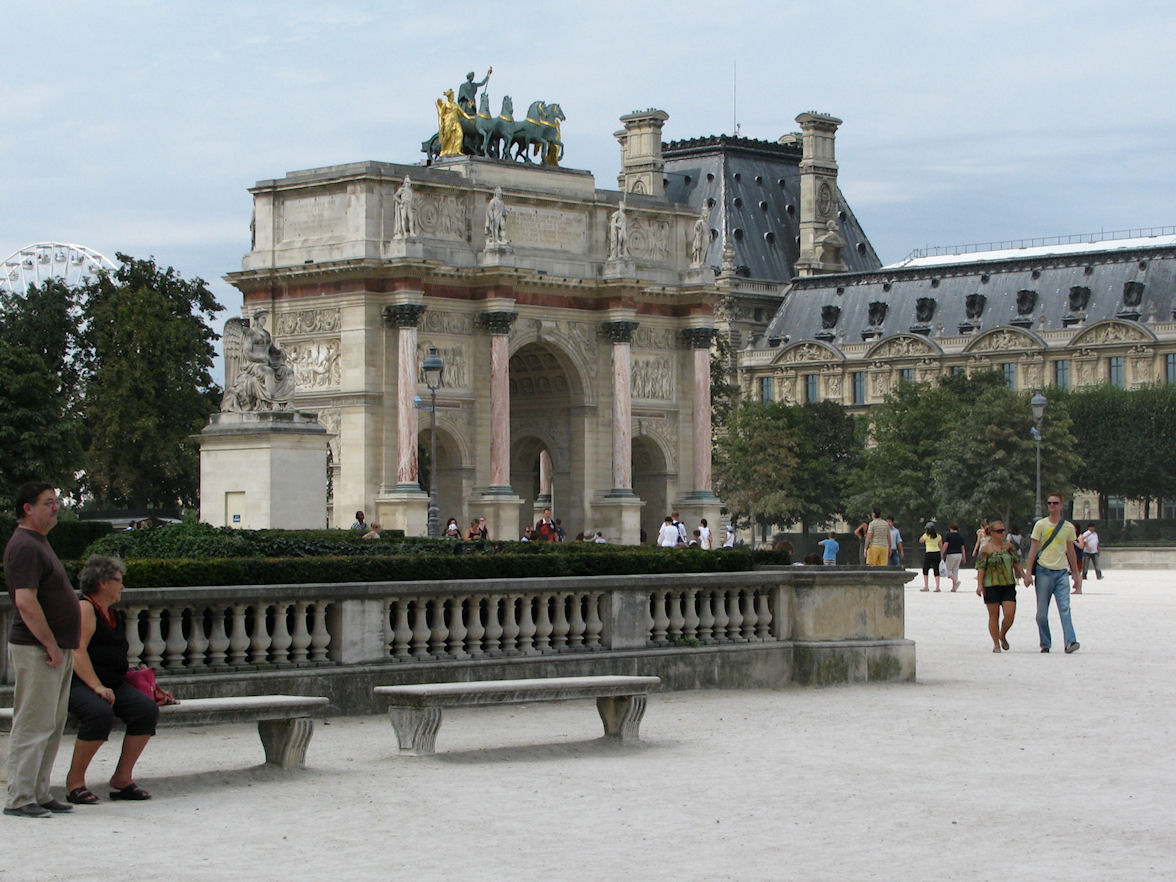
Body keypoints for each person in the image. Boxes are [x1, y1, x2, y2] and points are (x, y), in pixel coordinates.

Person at [4, 482, 81, 818]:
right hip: (37, 649)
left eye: (56, 502)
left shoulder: (39, 543)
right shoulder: (24, 546)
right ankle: (20, 797)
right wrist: (50, 643)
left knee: (51, 723)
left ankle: (39, 791)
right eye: (48, 503)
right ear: (28, 508)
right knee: (33, 723)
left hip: (55, 649)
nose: (56, 508)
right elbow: (25, 601)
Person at [64, 556, 159, 805]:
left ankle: (122, 779)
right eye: (119, 581)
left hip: (112, 682)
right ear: (102, 583)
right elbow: (77, 651)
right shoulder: (85, 608)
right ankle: (75, 783)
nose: (123, 587)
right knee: (99, 714)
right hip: (79, 683)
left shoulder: (111, 612)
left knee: (146, 709)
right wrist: (96, 686)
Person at [1023, 492, 1082, 653]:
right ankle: (1045, 642)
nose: (1052, 506)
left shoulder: (1068, 527)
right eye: (1049, 503)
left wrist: (1076, 574)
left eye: (1055, 503)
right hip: (1043, 572)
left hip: (1062, 572)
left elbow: (1071, 551)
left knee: (1065, 608)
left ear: (1061, 505)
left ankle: (1070, 641)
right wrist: (1028, 573)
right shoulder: (1041, 525)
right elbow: (1033, 549)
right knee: (1041, 613)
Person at [975, 520, 1025, 653]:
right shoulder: (985, 549)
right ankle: (996, 643)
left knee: (1009, 615)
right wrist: (980, 585)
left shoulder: (1009, 547)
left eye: (1003, 530)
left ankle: (1002, 634)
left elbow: (1016, 563)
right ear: (991, 533)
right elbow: (981, 568)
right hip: (991, 585)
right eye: (999, 531)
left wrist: (1024, 576)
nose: (1002, 533)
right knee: (993, 615)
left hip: (1008, 584)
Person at [942, 523, 968, 592]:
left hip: (951, 554)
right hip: (959, 554)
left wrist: (942, 553)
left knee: (947, 570)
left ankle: (956, 581)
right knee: (955, 571)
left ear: (950, 528)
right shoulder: (960, 536)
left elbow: (945, 545)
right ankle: (954, 588)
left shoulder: (948, 535)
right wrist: (964, 556)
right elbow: (963, 547)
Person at [918, 523, 942, 591]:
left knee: (925, 569)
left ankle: (926, 586)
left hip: (929, 553)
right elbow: (940, 545)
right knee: (936, 569)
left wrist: (925, 534)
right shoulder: (938, 536)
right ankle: (937, 587)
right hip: (937, 553)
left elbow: (921, 541)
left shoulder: (926, 535)